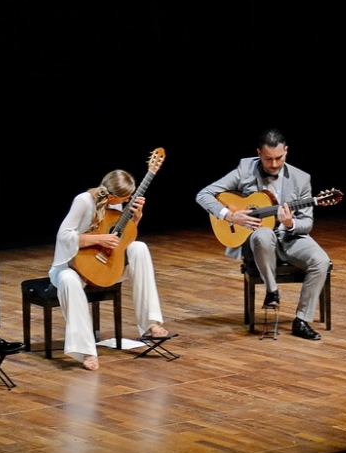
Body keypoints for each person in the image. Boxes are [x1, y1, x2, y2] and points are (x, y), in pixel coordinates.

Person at [196, 128, 331, 340]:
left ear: (286, 151)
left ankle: (302, 320)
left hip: (290, 237)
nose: (274, 164)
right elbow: (203, 195)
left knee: (321, 261)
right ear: (259, 153)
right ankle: (272, 290)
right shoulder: (244, 170)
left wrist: (290, 222)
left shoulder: (301, 178)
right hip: (259, 240)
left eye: (279, 158)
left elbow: (307, 223)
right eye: (268, 159)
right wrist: (230, 216)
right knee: (263, 234)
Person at [49, 169, 168, 370]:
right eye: (126, 197)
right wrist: (98, 239)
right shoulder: (83, 201)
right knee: (68, 279)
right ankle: (85, 350)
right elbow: (64, 237)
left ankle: (150, 323)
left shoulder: (115, 204)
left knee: (139, 248)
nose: (129, 199)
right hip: (72, 266)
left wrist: (136, 219)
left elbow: (121, 236)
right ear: (112, 196)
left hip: (104, 265)